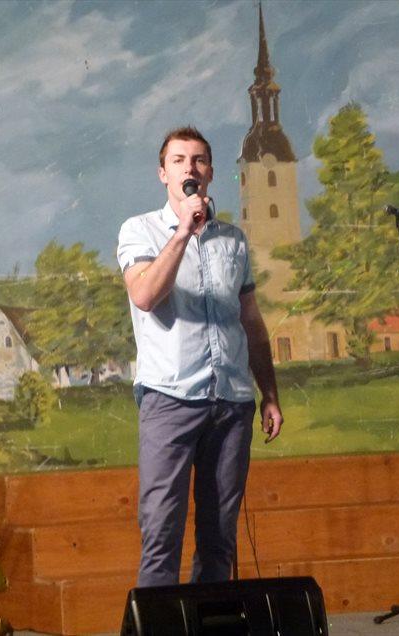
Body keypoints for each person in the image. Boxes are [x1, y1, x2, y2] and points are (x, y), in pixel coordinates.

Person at [117, 126, 283, 587]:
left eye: (199, 159)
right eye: (179, 160)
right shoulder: (139, 230)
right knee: (161, 536)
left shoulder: (233, 240)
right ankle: (161, 622)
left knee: (219, 541)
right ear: (163, 174)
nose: (190, 167)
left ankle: (210, 620)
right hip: (169, 400)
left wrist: (269, 393)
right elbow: (145, 295)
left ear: (209, 172)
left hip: (231, 403)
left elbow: (251, 322)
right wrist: (183, 233)